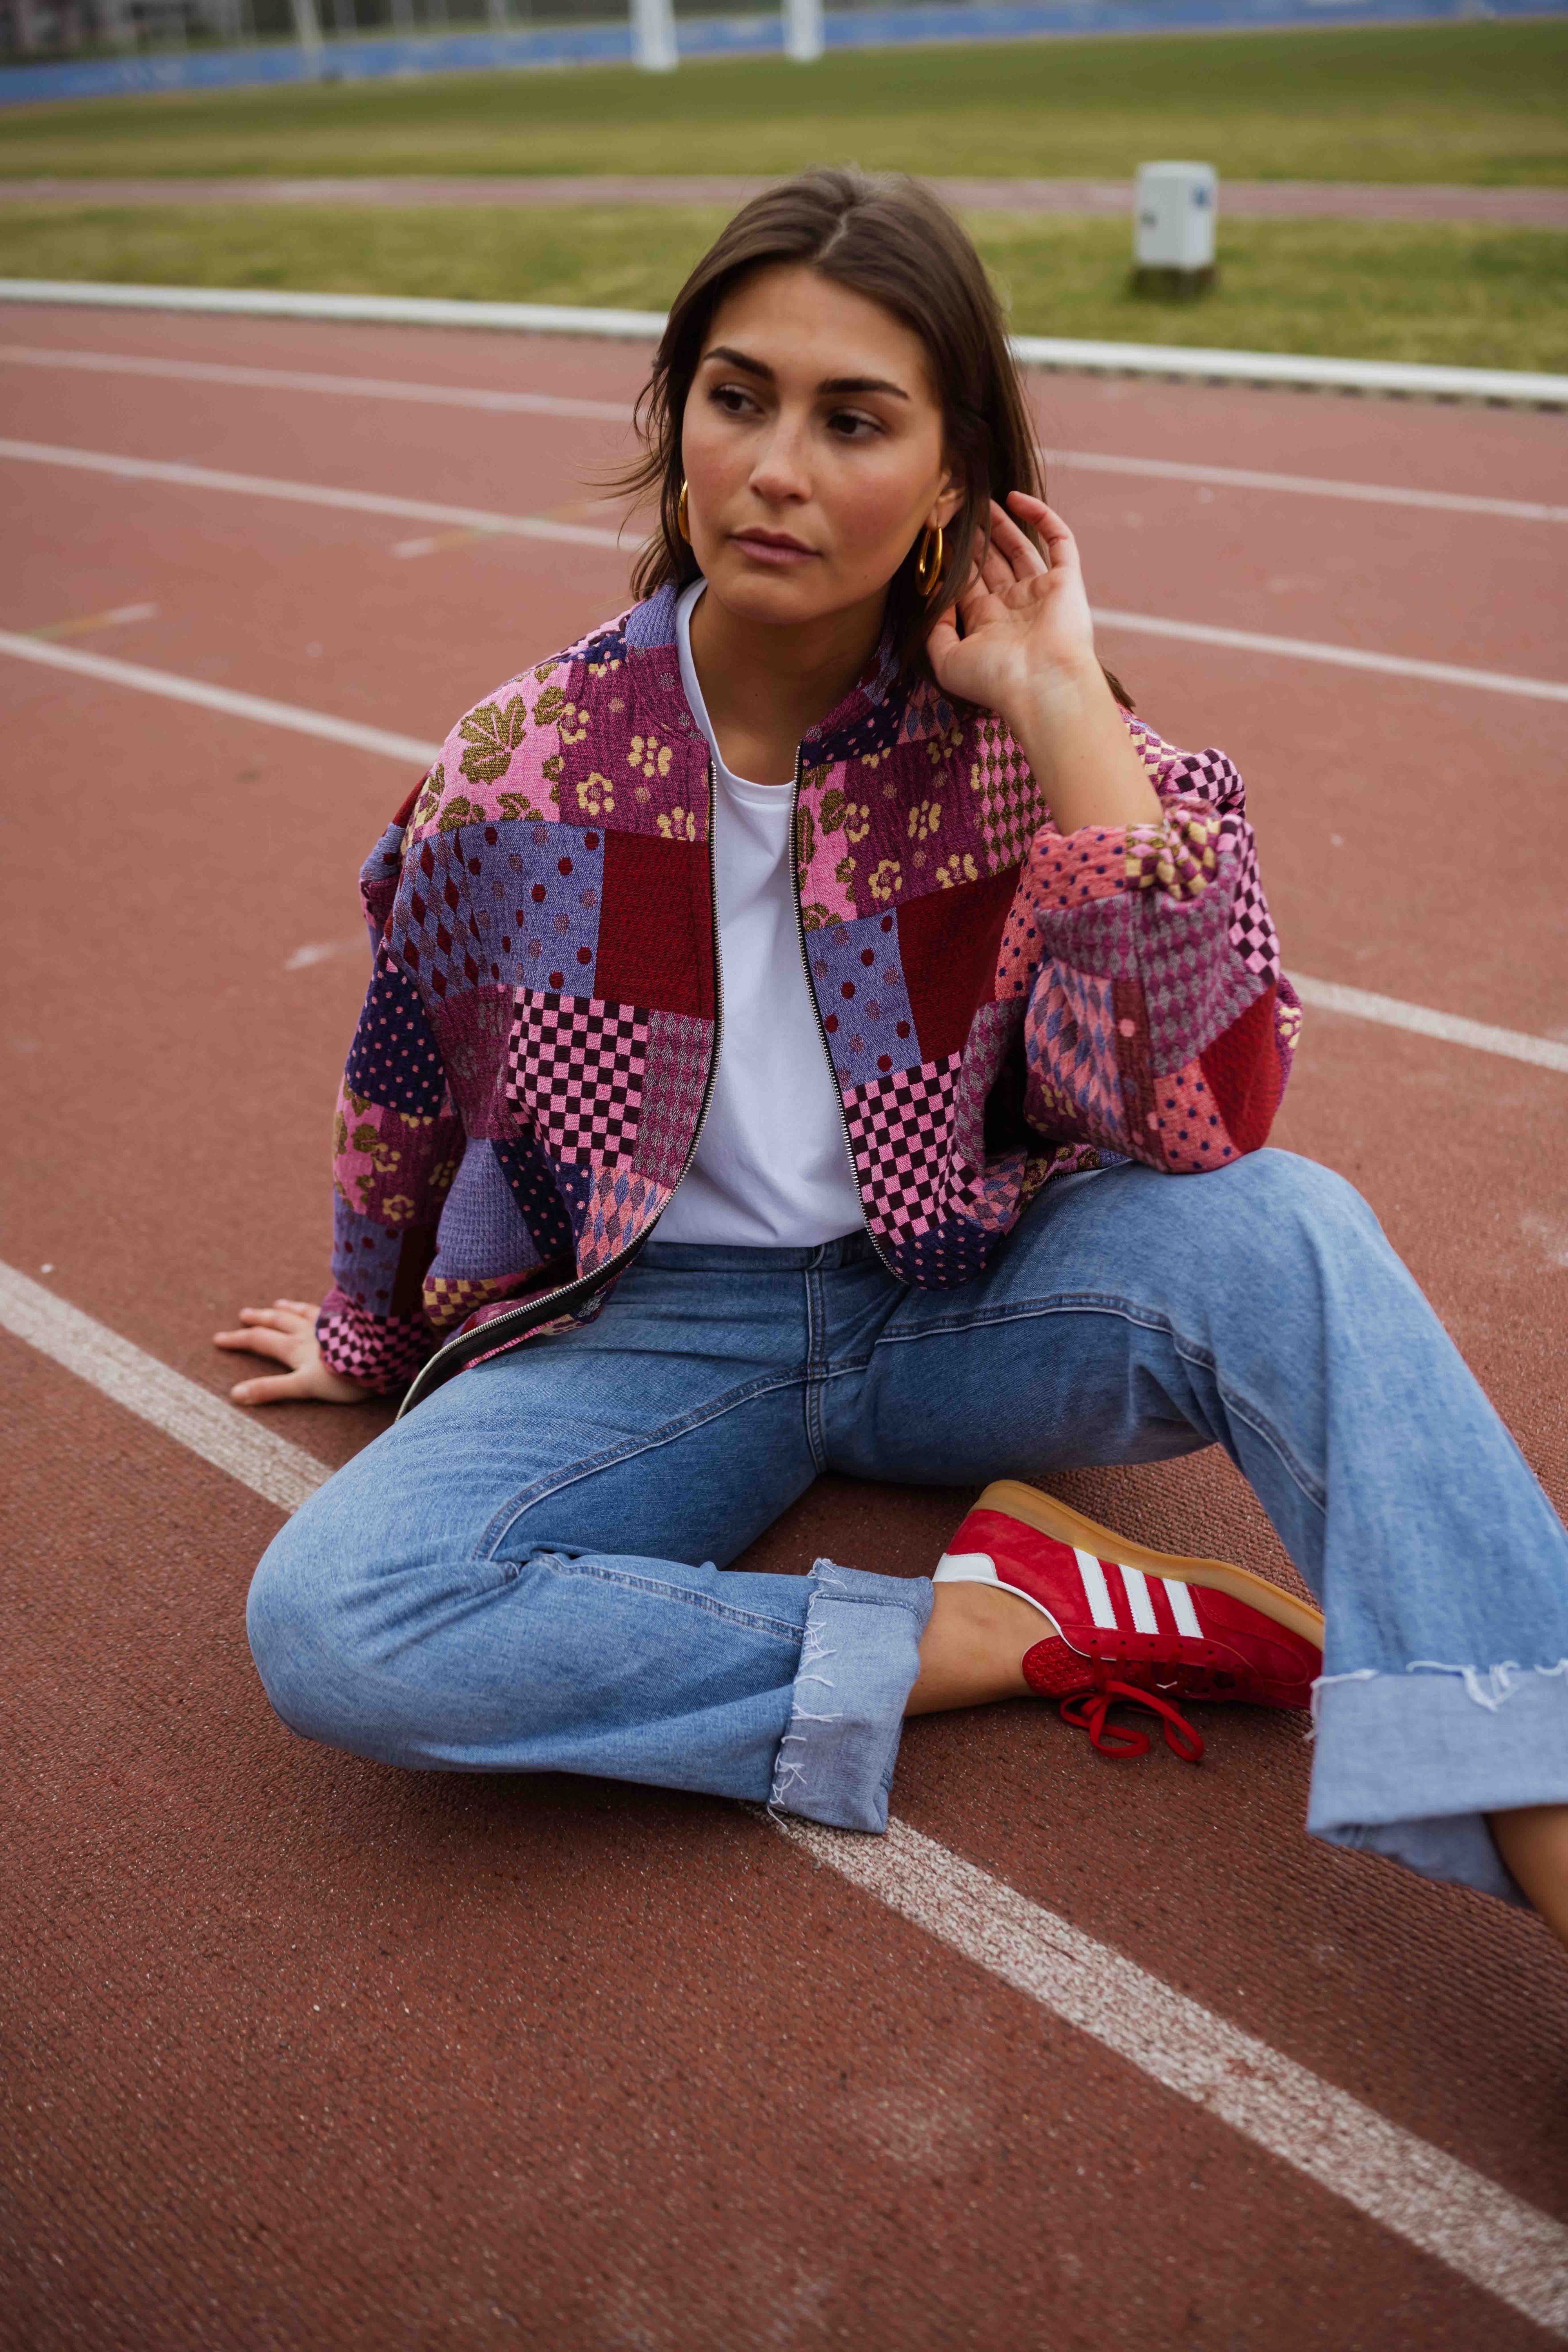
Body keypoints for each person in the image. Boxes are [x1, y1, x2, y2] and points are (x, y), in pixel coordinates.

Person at [225, 169, 1568, 1940]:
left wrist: (1065, 708)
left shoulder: (1025, 745)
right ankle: (991, 1620)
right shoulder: (526, 767)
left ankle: (1552, 1831)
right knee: (338, 1623)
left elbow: (1202, 1116)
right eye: (736, 398)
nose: (776, 468)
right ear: (675, 419)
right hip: (662, 1339)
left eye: (852, 420)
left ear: (951, 473)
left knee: (1295, 1230)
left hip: (964, 1294)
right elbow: (405, 1069)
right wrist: (368, 1323)